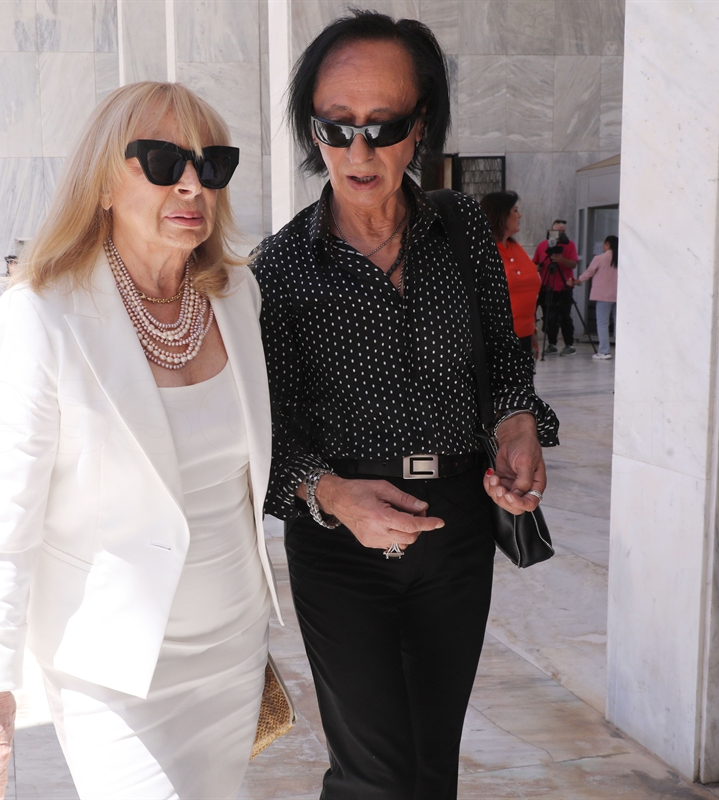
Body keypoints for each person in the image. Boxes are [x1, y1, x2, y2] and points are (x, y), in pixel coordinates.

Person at [251, 11, 559, 799]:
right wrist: (330, 494)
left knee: (431, 763)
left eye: (384, 126)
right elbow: (264, 438)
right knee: (374, 773)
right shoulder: (279, 268)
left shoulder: (461, 231)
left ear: (419, 126)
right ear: (311, 129)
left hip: (457, 531)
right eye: (337, 127)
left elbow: (505, 368)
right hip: (339, 544)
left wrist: (516, 429)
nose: (360, 152)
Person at [0, 82, 278, 800]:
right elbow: (7, 516)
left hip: (232, 648)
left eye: (211, 164)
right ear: (102, 183)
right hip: (112, 666)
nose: (192, 184)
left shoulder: (236, 295)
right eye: (162, 161)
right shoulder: (42, 314)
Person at [480, 191, 541, 360]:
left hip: (524, 337)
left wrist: (532, 330)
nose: (519, 215)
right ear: (501, 215)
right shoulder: (484, 252)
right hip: (497, 341)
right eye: (515, 210)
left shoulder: (516, 247)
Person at [533, 218, 579, 355]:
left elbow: (573, 264)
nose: (560, 234)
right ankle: (551, 343)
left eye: (563, 231)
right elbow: (534, 263)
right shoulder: (542, 245)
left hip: (563, 287)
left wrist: (560, 259)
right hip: (546, 286)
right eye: (558, 231)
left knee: (565, 317)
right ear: (551, 230)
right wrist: (538, 267)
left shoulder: (570, 245)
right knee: (548, 317)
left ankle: (569, 344)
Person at [572, 235, 618, 360]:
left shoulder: (599, 258)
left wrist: (576, 281)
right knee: (618, 324)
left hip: (603, 296)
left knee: (602, 324)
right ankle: (622, 350)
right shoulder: (620, 259)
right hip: (618, 296)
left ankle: (604, 351)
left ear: (607, 244)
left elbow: (588, 273)